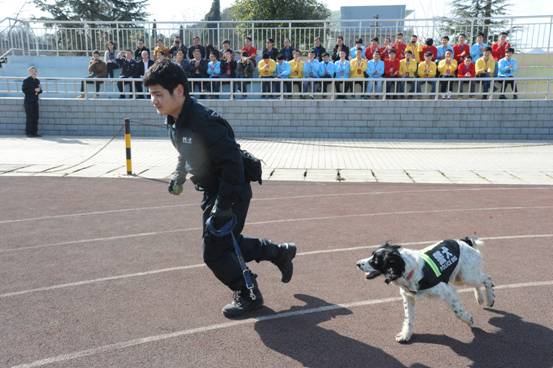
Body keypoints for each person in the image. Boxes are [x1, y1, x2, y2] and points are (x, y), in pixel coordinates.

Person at [143, 59, 297, 318]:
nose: (153, 101)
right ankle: (279, 253)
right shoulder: (174, 119)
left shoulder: (206, 123)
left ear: (179, 91)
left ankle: (249, 293)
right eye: (151, 95)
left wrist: (223, 207)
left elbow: (233, 167)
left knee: (214, 253)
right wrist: (179, 176)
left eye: (158, 94)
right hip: (213, 190)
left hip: (231, 191)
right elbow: (186, 151)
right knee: (228, 243)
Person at [22, 66, 42, 137]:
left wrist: (39, 91)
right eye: (32, 71)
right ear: (29, 72)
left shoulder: (37, 81)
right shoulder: (26, 81)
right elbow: (24, 90)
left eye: (35, 71)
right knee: (30, 117)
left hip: (35, 101)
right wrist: (34, 90)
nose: (34, 73)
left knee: (36, 117)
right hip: (28, 102)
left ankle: (34, 133)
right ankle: (29, 133)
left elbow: (40, 90)